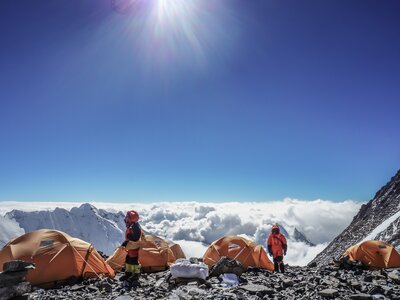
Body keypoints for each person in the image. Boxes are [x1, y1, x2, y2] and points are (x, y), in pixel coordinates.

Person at [120, 210, 142, 282]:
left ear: (130, 219)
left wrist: (129, 237)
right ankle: (128, 273)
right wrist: (126, 242)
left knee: (134, 260)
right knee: (128, 259)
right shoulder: (132, 225)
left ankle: (136, 274)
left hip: (134, 247)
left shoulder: (134, 227)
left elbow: (135, 238)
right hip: (131, 247)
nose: (126, 219)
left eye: (127, 218)